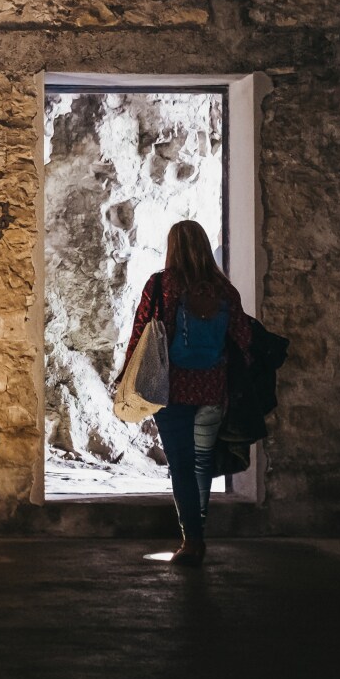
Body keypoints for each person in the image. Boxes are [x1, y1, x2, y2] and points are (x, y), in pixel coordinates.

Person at [117, 220, 257, 565]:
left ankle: (191, 540)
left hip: (172, 388)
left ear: (173, 247)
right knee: (202, 464)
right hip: (211, 388)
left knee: (180, 466)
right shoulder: (225, 290)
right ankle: (199, 535)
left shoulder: (161, 284)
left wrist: (125, 375)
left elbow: (141, 331)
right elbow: (243, 339)